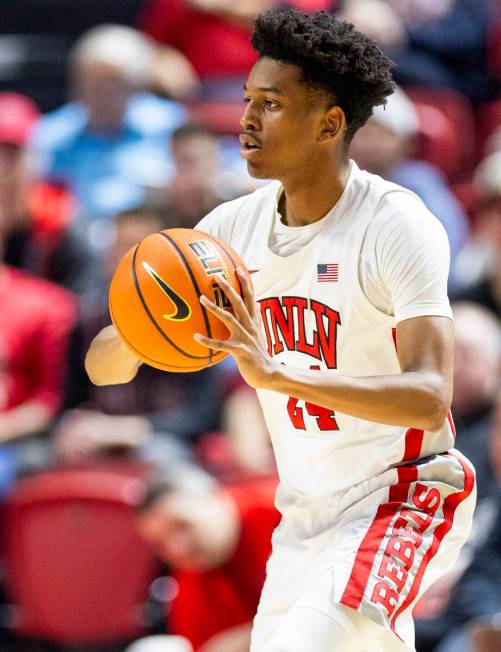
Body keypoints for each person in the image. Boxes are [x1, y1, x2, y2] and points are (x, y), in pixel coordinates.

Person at [86, 10, 476, 651]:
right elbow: (105, 367)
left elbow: (431, 394)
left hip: (403, 491)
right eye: (246, 100)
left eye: (270, 105)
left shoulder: (394, 224)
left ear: (329, 124)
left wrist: (279, 374)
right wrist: (136, 332)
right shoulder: (227, 231)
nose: (245, 120)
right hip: (305, 511)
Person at [30, 25, 187, 224]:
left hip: (157, 237)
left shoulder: (170, 124)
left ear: (137, 85)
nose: (100, 93)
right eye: (91, 82)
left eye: (112, 83)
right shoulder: (51, 134)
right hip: (73, 244)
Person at [133, 475, 279, 652]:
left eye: (181, 525)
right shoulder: (187, 590)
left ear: (214, 497)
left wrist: (251, 638)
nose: (177, 548)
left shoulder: (287, 512)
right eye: (160, 544)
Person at [0, 92, 96, 295]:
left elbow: (78, 312)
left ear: (35, 161)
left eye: (12, 156)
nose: (2, 172)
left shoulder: (62, 225)